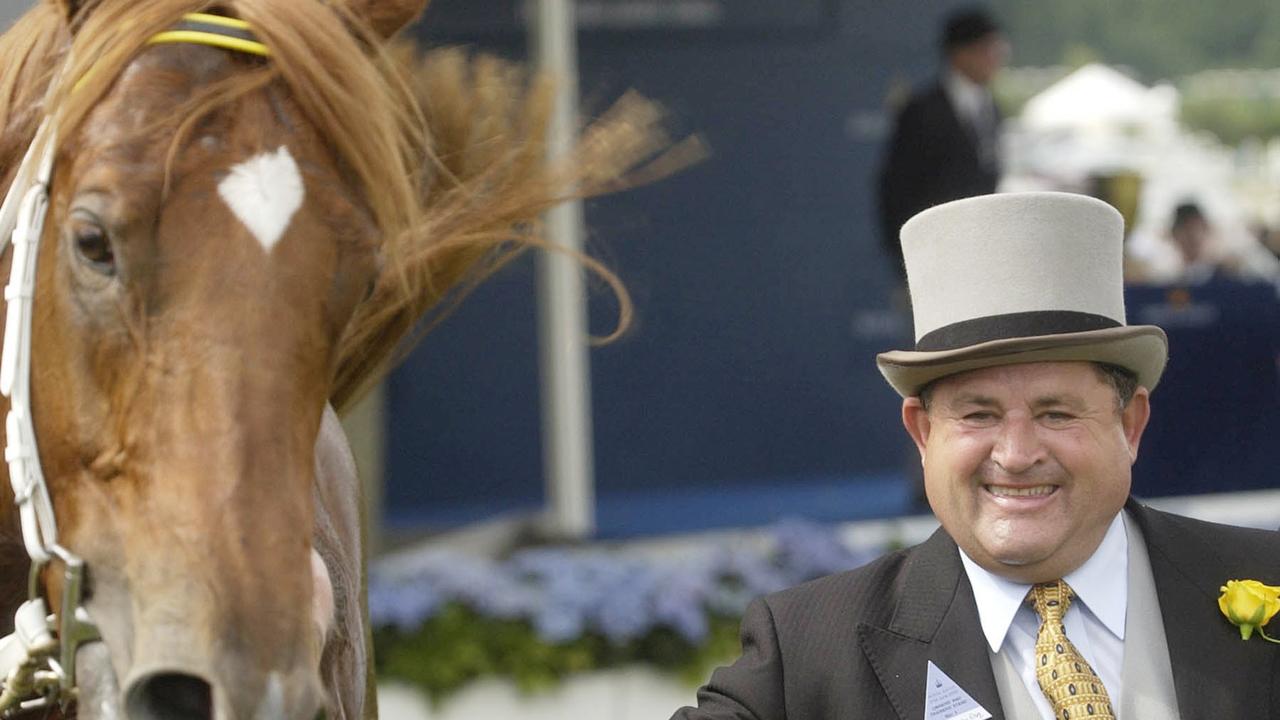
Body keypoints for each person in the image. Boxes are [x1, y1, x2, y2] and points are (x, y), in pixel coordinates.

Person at [671, 192, 1280, 719]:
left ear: (1130, 425)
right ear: (922, 434)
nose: (1015, 455)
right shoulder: (807, 654)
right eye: (978, 415)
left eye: (1055, 413)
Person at [876, 6, 1007, 282]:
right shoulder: (922, 110)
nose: (997, 57)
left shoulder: (991, 108)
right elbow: (896, 187)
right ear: (961, 54)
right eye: (988, 48)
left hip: (980, 257)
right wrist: (908, 259)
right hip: (933, 256)